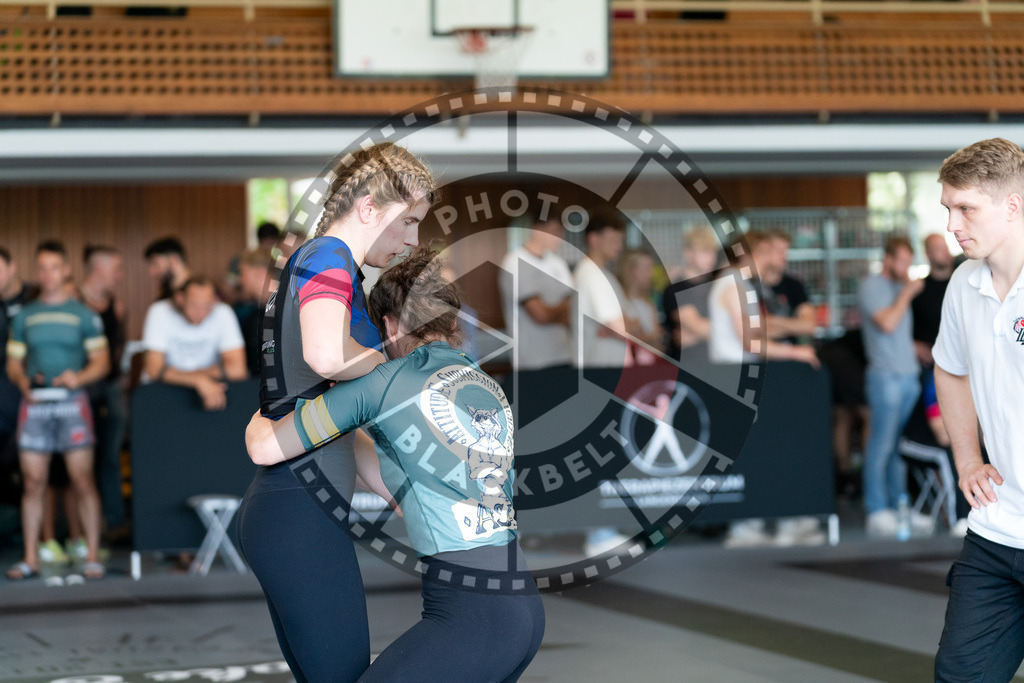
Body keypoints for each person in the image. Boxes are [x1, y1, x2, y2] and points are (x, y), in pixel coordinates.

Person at [245, 246, 544, 682]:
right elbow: (398, 477)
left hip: (470, 615)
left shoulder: (384, 382)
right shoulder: (480, 381)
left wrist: (266, 410)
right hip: (521, 607)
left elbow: (266, 448)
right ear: (454, 322)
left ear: (388, 324)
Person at [238, 141, 434, 683]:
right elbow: (324, 355)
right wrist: (402, 372)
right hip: (297, 511)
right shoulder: (326, 255)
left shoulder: (330, 265)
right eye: (409, 221)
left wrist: (400, 490)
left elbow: (335, 421)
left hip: (295, 506)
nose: (412, 239)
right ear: (369, 207)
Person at [931, 138, 1024, 681]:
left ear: (1012, 206)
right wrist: (967, 459)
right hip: (995, 534)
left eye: (966, 208)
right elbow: (949, 368)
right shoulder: (963, 284)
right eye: (948, 208)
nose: (953, 224)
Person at [5, 241, 109, 580]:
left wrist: (77, 377)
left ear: (66, 270)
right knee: (33, 482)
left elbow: (102, 362)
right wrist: (22, 382)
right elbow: (14, 364)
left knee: (82, 480)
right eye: (42, 268)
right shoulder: (25, 316)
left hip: (72, 403)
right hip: (35, 405)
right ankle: (31, 558)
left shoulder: (83, 314)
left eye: (54, 267)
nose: (47, 274)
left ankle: (92, 555)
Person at [857, 236, 927, 537]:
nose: (905, 268)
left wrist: (916, 348)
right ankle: (876, 509)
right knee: (881, 444)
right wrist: (908, 293)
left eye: (909, 262)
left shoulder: (900, 288)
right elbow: (886, 323)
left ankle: (900, 506)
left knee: (901, 447)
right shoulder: (872, 286)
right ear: (886, 259)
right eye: (901, 261)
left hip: (908, 377)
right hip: (886, 378)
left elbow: (897, 335)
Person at [78, 245, 128, 538]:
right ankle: (79, 530)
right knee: (78, 459)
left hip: (108, 388)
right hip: (79, 389)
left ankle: (114, 521)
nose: (120, 276)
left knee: (109, 455)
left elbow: (118, 347)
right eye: (116, 269)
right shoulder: (73, 301)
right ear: (99, 269)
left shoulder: (116, 305)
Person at [142, 276, 247, 411]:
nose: (201, 313)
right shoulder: (159, 311)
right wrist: (198, 380)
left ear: (215, 301)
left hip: (209, 392)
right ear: (180, 298)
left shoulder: (223, 312)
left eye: (207, 306)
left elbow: (238, 370)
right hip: (161, 394)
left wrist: (196, 378)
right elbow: (153, 369)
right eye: (194, 305)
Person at [498, 215, 574, 371]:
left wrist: (553, 310)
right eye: (555, 231)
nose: (560, 238)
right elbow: (540, 315)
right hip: (531, 363)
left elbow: (573, 312)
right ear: (537, 230)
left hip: (564, 357)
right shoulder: (515, 261)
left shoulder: (558, 263)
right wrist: (561, 309)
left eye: (561, 232)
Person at [573, 213, 633, 369]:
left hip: (610, 369)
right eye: (614, 240)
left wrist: (621, 327)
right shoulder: (592, 275)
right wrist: (622, 327)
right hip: (599, 371)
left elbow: (629, 324)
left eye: (620, 240)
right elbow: (622, 329)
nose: (619, 246)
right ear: (593, 239)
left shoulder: (606, 276)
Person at [661, 225, 719, 363]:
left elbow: (699, 331)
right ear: (688, 253)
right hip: (686, 365)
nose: (710, 257)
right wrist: (738, 329)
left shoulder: (716, 285)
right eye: (704, 251)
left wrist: (695, 336)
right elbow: (698, 327)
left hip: (715, 361)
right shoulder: (676, 289)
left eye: (713, 252)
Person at [617, 249, 665, 363]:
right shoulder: (621, 302)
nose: (651, 273)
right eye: (646, 268)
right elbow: (631, 336)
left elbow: (656, 339)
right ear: (630, 270)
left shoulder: (649, 303)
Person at [234, 247, 276, 378]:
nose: (240, 280)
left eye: (242, 273)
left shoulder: (289, 310)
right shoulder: (252, 316)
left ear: (259, 272)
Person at [144, 236, 191, 301]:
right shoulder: (164, 300)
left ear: (174, 260)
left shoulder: (202, 295)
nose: (152, 273)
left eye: (155, 264)